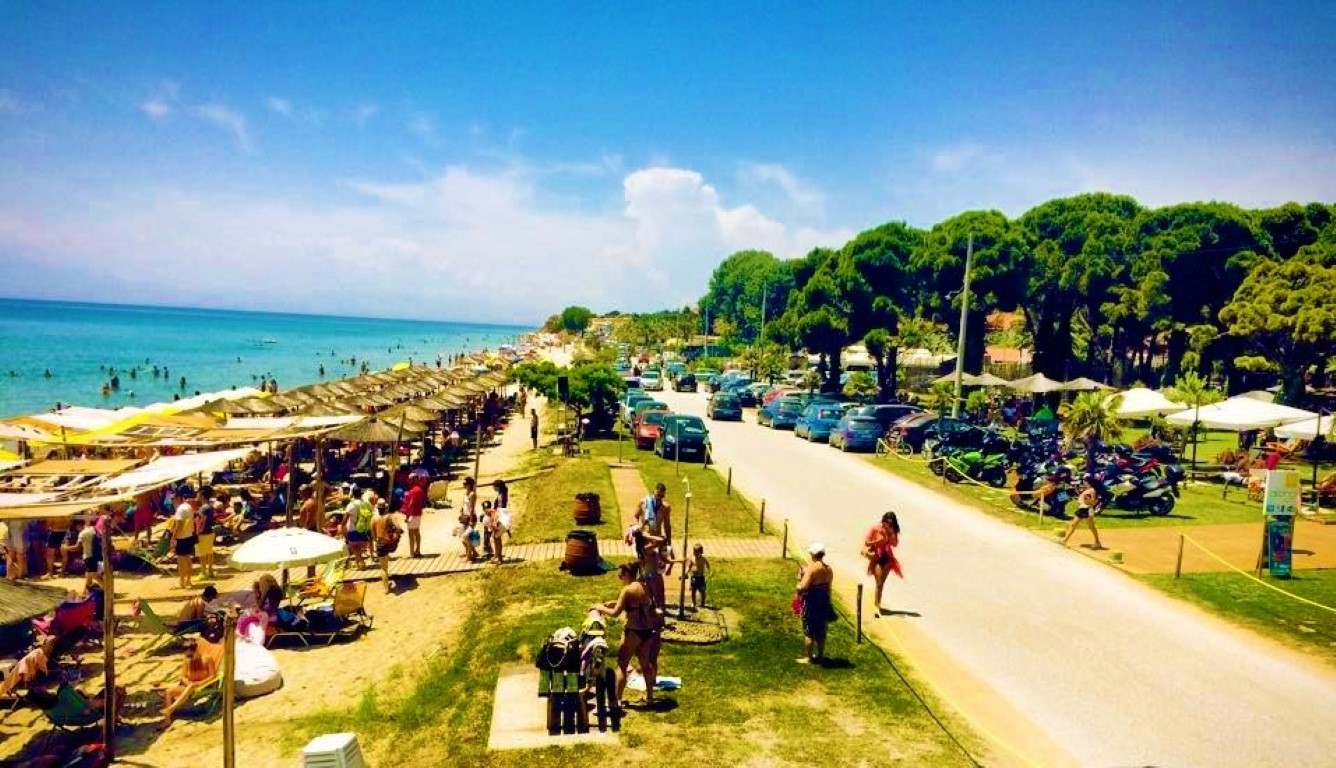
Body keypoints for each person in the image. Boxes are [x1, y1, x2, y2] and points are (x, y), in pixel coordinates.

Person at [591, 562, 662, 711]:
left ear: (627, 574)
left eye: (620, 575)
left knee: (622, 665)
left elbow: (615, 613)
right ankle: (650, 698)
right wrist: (614, 603)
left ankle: (617, 700)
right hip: (647, 632)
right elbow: (640, 606)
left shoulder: (627, 590)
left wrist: (601, 608)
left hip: (633, 631)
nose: (619, 577)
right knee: (645, 665)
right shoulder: (644, 586)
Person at [162, 637, 222, 722]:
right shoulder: (187, 660)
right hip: (189, 686)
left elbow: (213, 676)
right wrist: (187, 682)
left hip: (203, 686)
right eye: (187, 655)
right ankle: (167, 720)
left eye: (190, 655)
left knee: (191, 686)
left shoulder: (207, 659)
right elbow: (183, 677)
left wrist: (200, 683)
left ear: (197, 651)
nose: (189, 658)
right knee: (169, 691)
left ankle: (170, 709)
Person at [796, 543, 835, 664]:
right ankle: (820, 656)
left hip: (811, 603)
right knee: (821, 631)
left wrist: (799, 579)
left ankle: (809, 658)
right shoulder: (829, 569)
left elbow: (802, 588)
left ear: (813, 554)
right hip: (824, 603)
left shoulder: (811, 569)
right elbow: (829, 588)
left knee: (809, 632)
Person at [863, 511, 903, 617]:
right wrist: (878, 541)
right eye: (887, 522)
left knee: (880, 584)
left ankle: (877, 604)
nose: (888, 525)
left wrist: (892, 534)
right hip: (877, 558)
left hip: (888, 558)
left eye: (891, 523)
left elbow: (895, 544)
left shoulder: (892, 531)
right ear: (883, 520)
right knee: (879, 583)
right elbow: (866, 543)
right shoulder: (875, 529)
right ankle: (877, 607)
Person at [370, 502, 403, 593]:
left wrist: (377, 541)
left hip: (380, 544)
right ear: (385, 508)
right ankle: (387, 581)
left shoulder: (373, 519)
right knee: (386, 564)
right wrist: (397, 533)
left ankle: (386, 589)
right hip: (390, 544)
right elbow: (398, 528)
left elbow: (373, 536)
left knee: (383, 568)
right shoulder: (389, 517)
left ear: (378, 509)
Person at [1063, 478, 1104, 550]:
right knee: (1075, 525)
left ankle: (1097, 542)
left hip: (1086, 509)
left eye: (1085, 482)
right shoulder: (1087, 490)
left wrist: (1087, 499)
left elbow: (1093, 502)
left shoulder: (1092, 490)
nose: (1084, 483)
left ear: (1089, 483)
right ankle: (1064, 541)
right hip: (1082, 508)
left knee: (1090, 526)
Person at [170, 487, 199, 590]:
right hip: (189, 535)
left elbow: (179, 525)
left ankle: (182, 582)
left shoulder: (180, 509)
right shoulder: (188, 507)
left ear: (178, 497)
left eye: (173, 499)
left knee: (181, 562)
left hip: (182, 537)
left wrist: (173, 538)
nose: (172, 501)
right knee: (187, 559)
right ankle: (188, 581)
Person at [344, 489, 375, 569]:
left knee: (354, 548)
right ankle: (359, 564)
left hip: (353, 532)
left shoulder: (351, 505)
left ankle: (361, 563)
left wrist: (344, 534)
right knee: (358, 549)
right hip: (365, 532)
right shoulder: (367, 504)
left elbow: (344, 521)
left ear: (353, 495)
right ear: (361, 494)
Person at [401, 475, 427, 558]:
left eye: (410, 479)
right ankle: (417, 550)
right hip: (418, 514)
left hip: (413, 515)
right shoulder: (419, 490)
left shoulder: (414, 491)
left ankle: (412, 553)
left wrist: (408, 516)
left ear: (414, 480)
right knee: (416, 532)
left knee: (411, 534)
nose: (409, 481)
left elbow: (411, 504)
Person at [459, 477, 480, 561]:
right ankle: (473, 552)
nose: (464, 485)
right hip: (465, 517)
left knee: (466, 536)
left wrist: (471, 520)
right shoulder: (466, 493)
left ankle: (469, 557)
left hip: (471, 517)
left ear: (470, 484)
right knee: (462, 537)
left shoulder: (472, 494)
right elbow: (464, 505)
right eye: (463, 484)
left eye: (465, 484)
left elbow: (472, 508)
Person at [686, 543, 711, 610]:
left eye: (697, 553)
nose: (695, 554)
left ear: (701, 552)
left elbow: (708, 565)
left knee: (702, 590)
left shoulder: (703, 559)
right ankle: (693, 603)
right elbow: (689, 567)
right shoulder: (692, 558)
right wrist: (686, 573)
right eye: (694, 552)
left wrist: (710, 572)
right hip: (694, 577)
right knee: (693, 591)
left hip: (701, 577)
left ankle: (703, 603)